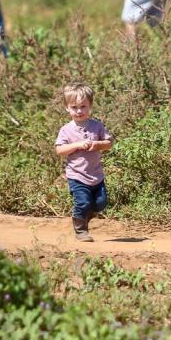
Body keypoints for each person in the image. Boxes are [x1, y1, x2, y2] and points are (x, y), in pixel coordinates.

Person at [55, 82, 113, 242]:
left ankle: (84, 217)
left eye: (83, 106)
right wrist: (77, 145)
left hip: (96, 175)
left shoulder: (97, 126)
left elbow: (109, 143)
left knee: (100, 203)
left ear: (90, 106)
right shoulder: (66, 130)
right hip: (77, 176)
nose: (79, 111)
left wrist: (98, 144)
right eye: (74, 107)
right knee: (83, 202)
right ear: (67, 108)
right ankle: (80, 231)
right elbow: (59, 150)